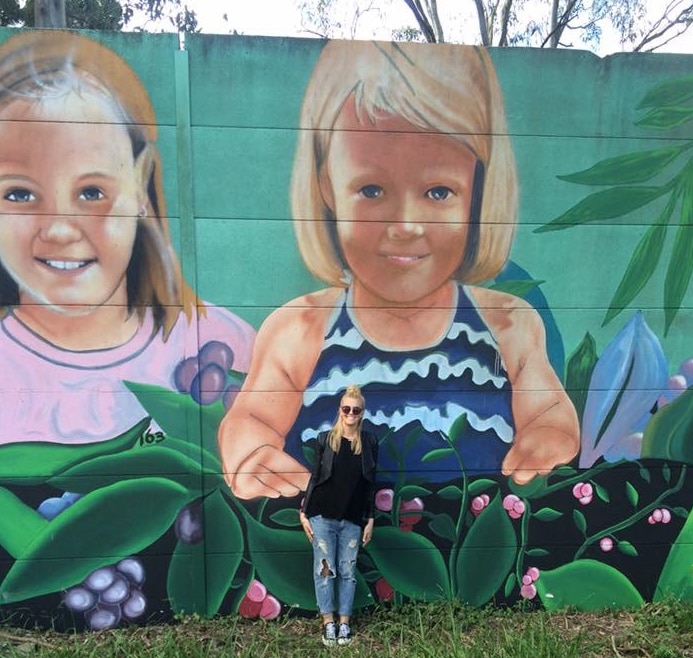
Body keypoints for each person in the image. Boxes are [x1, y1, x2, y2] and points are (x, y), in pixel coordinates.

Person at [219, 40, 579, 498]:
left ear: (479, 191)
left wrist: (550, 437)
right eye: (371, 190)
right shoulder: (300, 331)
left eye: (438, 192)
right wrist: (252, 455)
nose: (406, 225)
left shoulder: (508, 327)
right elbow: (249, 419)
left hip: (471, 565)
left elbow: (550, 412)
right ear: (326, 186)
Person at [0, 31, 254, 445]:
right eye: (19, 194)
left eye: (91, 192)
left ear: (140, 184)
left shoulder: (224, 346)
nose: (60, 230)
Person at [300, 385, 377, 645]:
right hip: (323, 517)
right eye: (346, 409)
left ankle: (344, 624)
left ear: (362, 412)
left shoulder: (368, 443)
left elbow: (370, 484)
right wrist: (303, 512)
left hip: (352, 519)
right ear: (339, 411)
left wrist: (371, 519)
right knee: (325, 571)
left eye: (356, 409)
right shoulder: (326, 440)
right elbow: (315, 478)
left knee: (347, 571)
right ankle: (328, 623)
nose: (351, 414)